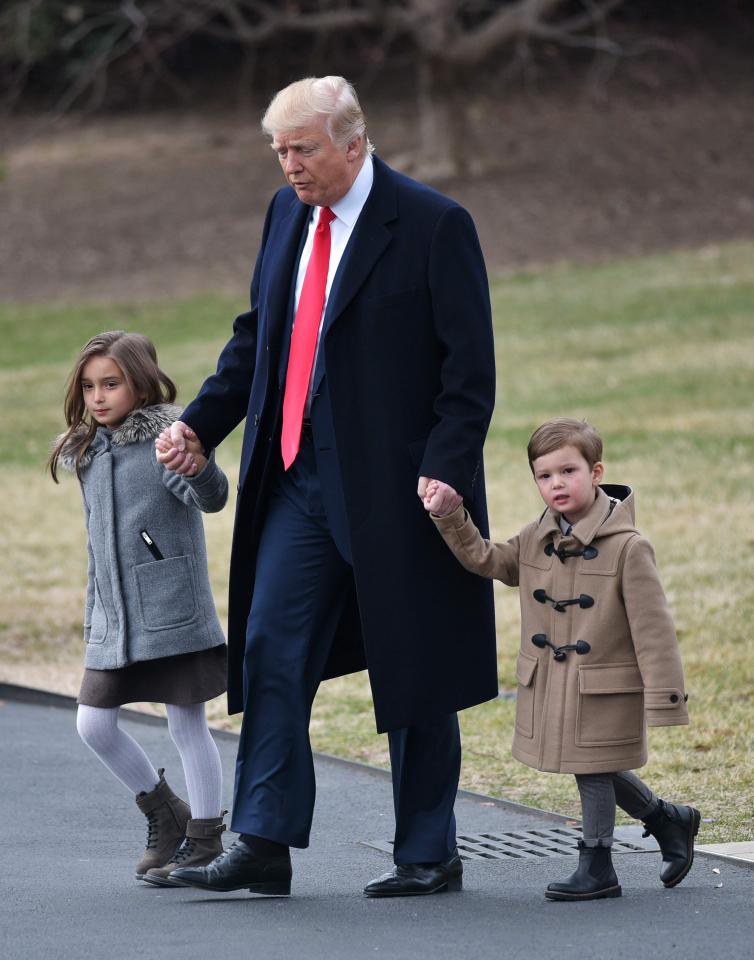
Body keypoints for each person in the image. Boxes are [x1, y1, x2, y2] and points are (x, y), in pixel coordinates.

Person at [155, 75, 498, 898]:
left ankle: (428, 851)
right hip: (298, 481)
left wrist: (445, 474)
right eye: (278, 150)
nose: (289, 166)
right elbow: (257, 339)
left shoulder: (432, 225)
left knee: (411, 665)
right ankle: (263, 841)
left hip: (402, 491)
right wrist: (201, 422)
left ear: (354, 142)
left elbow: (469, 373)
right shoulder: (285, 216)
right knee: (271, 645)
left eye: (302, 149)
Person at [426, 417, 700, 900]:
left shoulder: (629, 548)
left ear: (596, 472)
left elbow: (653, 631)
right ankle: (667, 820)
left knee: (593, 769)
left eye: (568, 471)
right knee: (590, 764)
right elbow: (489, 560)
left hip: (604, 684)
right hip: (553, 680)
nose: (556, 484)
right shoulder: (537, 538)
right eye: (544, 475)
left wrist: (666, 699)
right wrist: (452, 516)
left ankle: (597, 866)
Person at [49, 330, 229, 886]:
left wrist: (197, 468)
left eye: (111, 383)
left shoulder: (169, 441)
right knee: (93, 724)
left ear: (141, 383)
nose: (97, 396)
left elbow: (213, 496)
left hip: (171, 610)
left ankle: (204, 838)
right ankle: (164, 812)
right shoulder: (86, 451)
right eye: (88, 386)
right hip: (111, 617)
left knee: (187, 723)